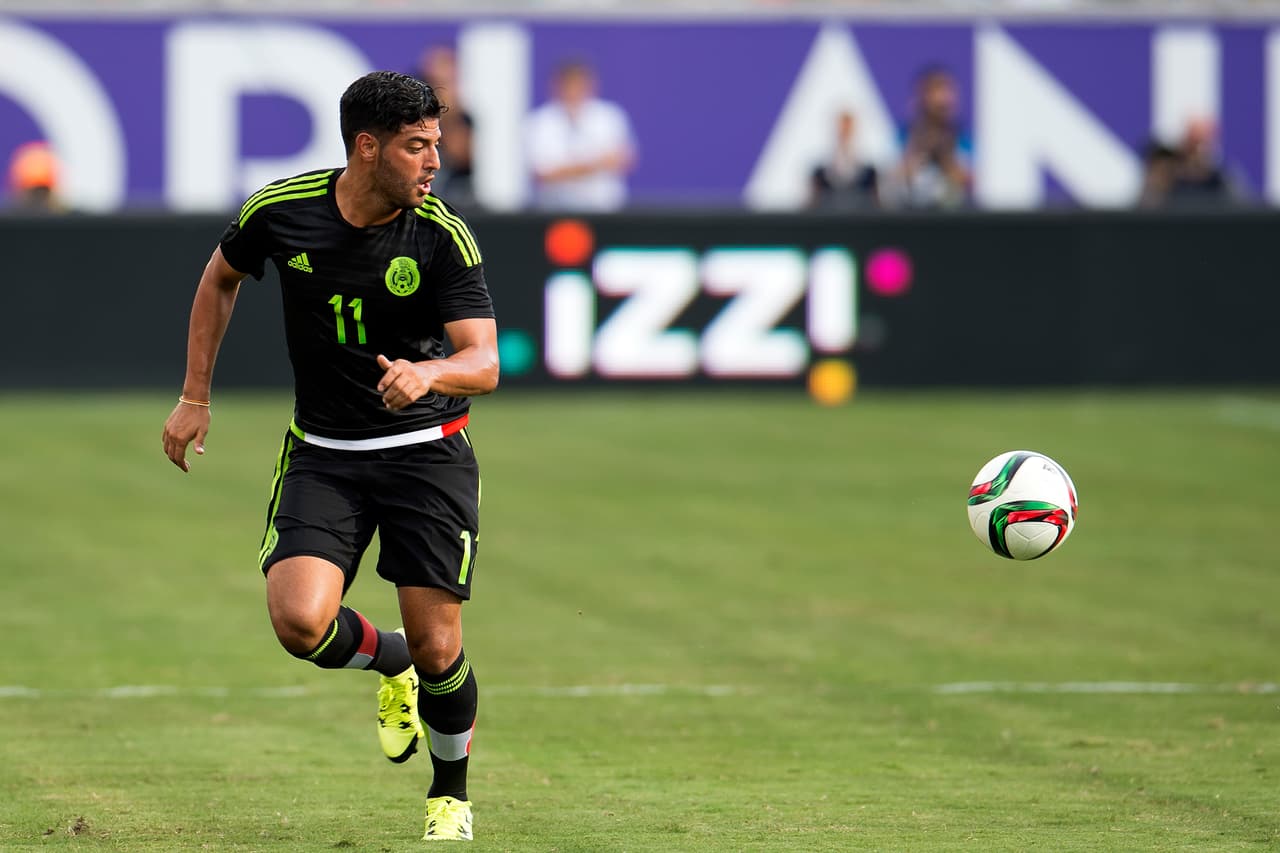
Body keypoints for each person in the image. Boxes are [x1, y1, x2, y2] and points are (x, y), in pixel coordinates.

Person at [161, 70, 499, 843]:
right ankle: (391, 664)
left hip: (427, 454)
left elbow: (482, 361)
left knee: (444, 646)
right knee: (298, 622)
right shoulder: (281, 212)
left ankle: (450, 793)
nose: (434, 162)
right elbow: (220, 279)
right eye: (418, 146)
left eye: (437, 145)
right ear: (366, 146)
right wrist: (194, 394)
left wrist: (429, 372)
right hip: (324, 452)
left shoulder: (441, 234)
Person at [526, 59, 636, 211]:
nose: (573, 91)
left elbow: (623, 159)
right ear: (557, 86)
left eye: (579, 84)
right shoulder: (540, 122)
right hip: (555, 211)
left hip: (606, 209)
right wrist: (596, 163)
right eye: (568, 85)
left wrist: (566, 170)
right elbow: (543, 174)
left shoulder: (609, 116)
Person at [884, 66, 971, 210]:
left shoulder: (961, 137)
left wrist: (944, 154)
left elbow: (966, 178)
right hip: (910, 214)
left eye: (947, 91)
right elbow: (890, 178)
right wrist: (917, 152)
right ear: (922, 97)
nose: (943, 99)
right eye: (936, 90)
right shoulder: (904, 135)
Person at [414, 43, 478, 211]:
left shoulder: (462, 117)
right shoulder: (413, 114)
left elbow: (461, 156)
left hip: (455, 194)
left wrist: (448, 114)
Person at [808, 110, 879, 211]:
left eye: (848, 129)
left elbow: (877, 206)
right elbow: (811, 206)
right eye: (841, 129)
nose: (844, 134)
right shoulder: (820, 173)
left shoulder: (870, 173)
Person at [5, 140, 64, 213]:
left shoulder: (72, 220)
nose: (38, 199)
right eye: (34, 193)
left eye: (43, 192)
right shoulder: (7, 219)